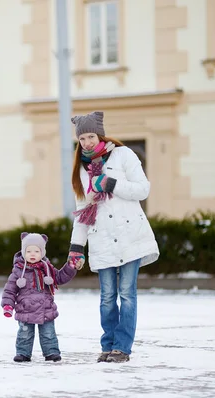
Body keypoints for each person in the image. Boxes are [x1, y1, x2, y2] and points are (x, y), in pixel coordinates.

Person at [66, 111, 159, 363]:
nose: (87, 142)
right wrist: (76, 248)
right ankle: (108, 346)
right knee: (107, 297)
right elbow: (83, 212)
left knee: (127, 293)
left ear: (100, 135)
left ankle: (122, 348)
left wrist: (110, 183)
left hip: (130, 235)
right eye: (82, 138)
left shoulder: (124, 155)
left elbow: (142, 189)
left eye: (91, 136)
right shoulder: (82, 170)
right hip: (102, 239)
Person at [1, 232, 80, 363]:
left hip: (46, 309)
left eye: (36, 251)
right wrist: (7, 305)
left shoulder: (47, 269)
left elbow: (60, 277)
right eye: (29, 251)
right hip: (25, 309)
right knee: (24, 334)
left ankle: (51, 352)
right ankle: (23, 353)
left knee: (48, 333)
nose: (32, 254)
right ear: (23, 252)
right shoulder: (18, 271)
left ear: (42, 252)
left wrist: (70, 267)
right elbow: (9, 290)